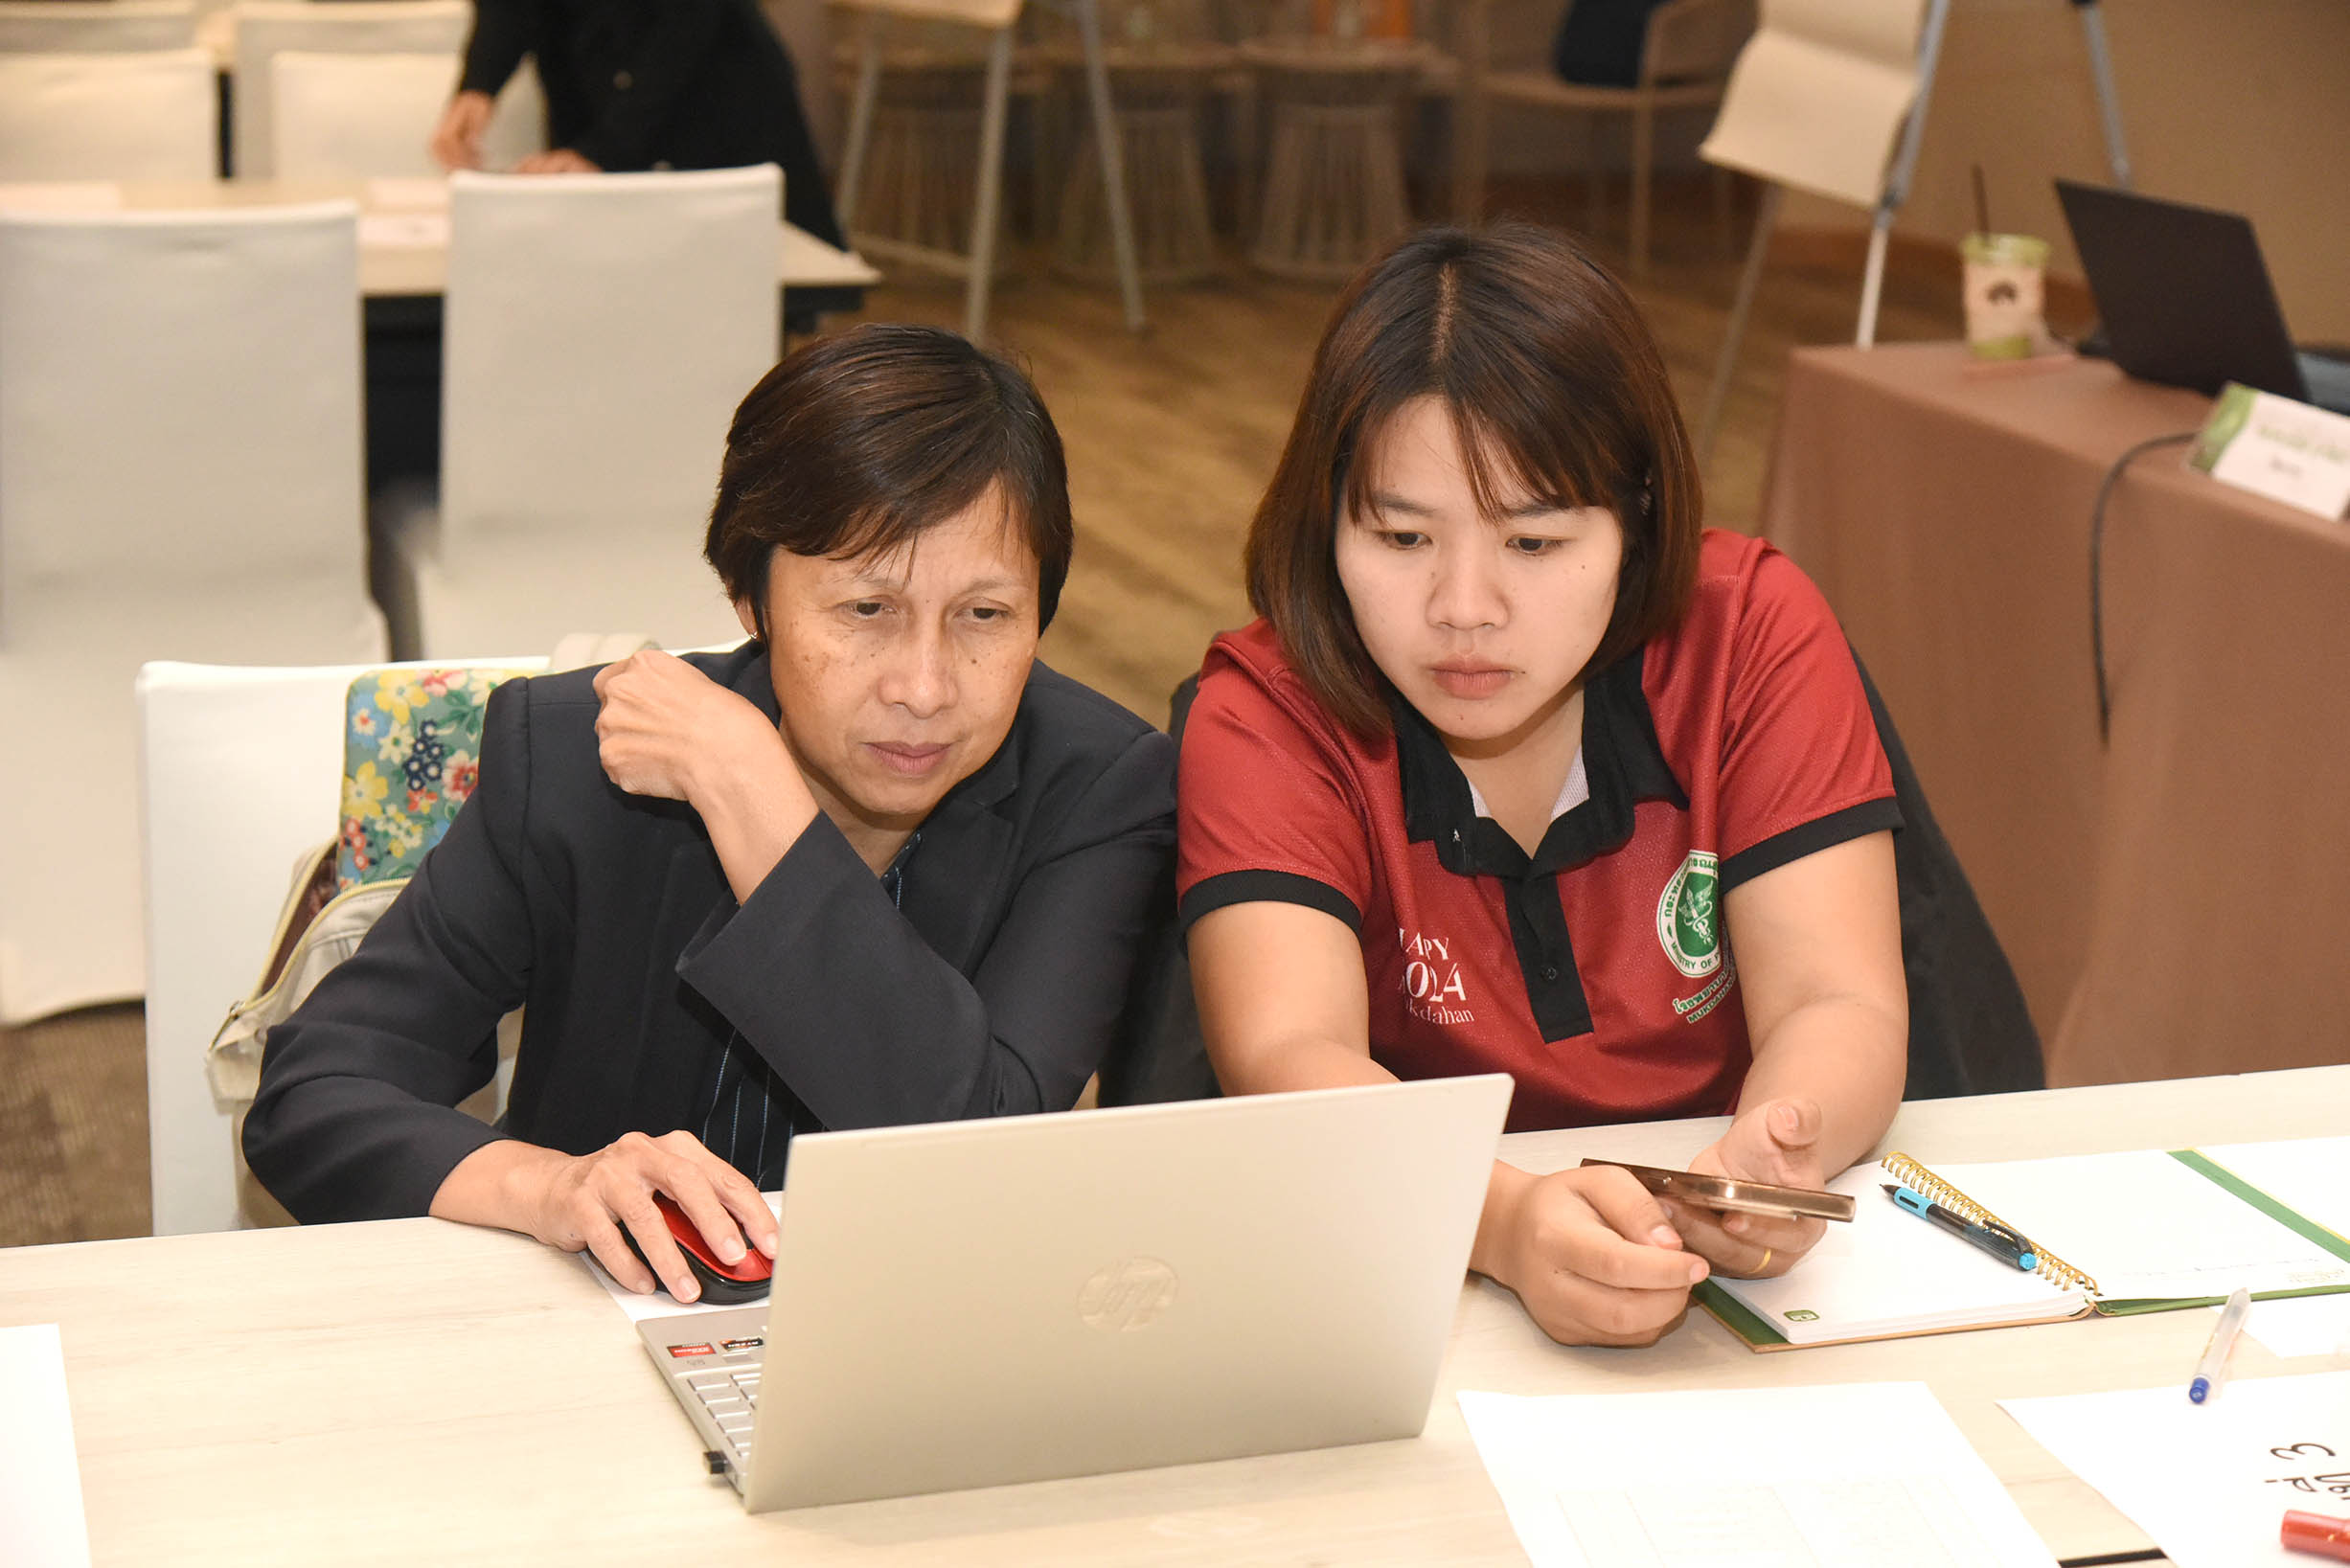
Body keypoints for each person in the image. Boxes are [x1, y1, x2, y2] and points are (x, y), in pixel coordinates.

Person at [245, 324, 1176, 1303]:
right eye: (866, 609)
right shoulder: (573, 759)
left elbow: (970, 1162)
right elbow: (316, 1092)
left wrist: (756, 800)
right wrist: (551, 1185)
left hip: (921, 1321)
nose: (924, 686)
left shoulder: (1097, 790)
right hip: (600, 1322)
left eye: (985, 615)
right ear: (747, 595)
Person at [1177, 223, 1907, 1349]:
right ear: (1326, 525)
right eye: (1401, 537)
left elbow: (1835, 998)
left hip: (1731, 1287)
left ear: (1636, 521)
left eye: (1532, 542)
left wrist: (1773, 1153)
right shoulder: (1265, 709)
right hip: (1407, 1281)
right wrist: (1501, 1223)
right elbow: (1286, 1054)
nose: (1463, 608)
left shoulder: (1750, 631)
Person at [429, 0, 848, 249]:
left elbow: (686, 27)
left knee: (742, 281)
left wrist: (603, 148)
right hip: (595, 87)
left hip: (712, 101)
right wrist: (479, 83)